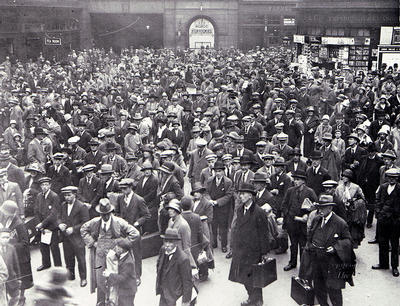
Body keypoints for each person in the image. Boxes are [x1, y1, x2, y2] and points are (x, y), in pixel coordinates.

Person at [80, 198, 140, 304]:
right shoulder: (95, 222)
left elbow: (135, 233)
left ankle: (115, 302)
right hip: (100, 255)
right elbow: (83, 229)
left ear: (111, 212)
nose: (106, 217)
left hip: (114, 257)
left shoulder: (119, 222)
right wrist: (92, 242)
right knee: (100, 280)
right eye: (103, 214)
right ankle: (101, 302)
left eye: (108, 214)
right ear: (100, 214)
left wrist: (121, 243)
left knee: (114, 278)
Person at [307, 194, 354, 306]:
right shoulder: (317, 219)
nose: (320, 210)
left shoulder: (340, 223)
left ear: (330, 208)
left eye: (323, 207)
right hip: (317, 260)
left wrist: (335, 248)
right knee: (318, 288)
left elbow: (349, 242)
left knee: (334, 291)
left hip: (331, 264)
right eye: (319, 207)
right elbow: (310, 236)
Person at [228, 182, 270, 306]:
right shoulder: (240, 209)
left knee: (255, 276)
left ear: (251, 196)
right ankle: (252, 297)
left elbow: (264, 233)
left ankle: (257, 300)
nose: (240, 196)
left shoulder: (259, 212)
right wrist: (234, 246)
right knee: (244, 277)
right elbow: (237, 229)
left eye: (243, 193)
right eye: (240, 193)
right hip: (241, 250)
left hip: (254, 251)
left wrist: (264, 252)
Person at [282, 170, 318, 271]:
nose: (295, 182)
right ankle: (292, 263)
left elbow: (316, 207)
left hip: (303, 224)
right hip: (292, 223)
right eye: (294, 179)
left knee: (303, 245)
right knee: (293, 244)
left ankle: (304, 265)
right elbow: (284, 205)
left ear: (303, 181)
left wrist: (308, 215)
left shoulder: (310, 192)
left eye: (297, 180)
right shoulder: (290, 191)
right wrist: (288, 215)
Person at [115, 178, 151, 280]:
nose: (123, 191)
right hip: (122, 232)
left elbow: (147, 215)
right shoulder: (120, 198)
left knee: (136, 254)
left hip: (134, 232)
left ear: (131, 188)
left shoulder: (139, 200)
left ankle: (137, 276)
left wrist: (137, 223)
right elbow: (117, 212)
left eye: (125, 188)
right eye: (121, 189)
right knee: (123, 253)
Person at [0, 200, 33, 305]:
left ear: (11, 213)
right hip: (12, 255)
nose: (3, 214)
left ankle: (22, 297)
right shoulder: (7, 219)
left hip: (21, 257)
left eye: (5, 212)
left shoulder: (19, 224)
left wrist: (10, 245)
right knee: (13, 277)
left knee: (22, 278)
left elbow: (25, 243)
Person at [57, 186, 89, 287]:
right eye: (65, 195)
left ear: (74, 195)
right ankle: (71, 275)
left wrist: (74, 229)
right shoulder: (63, 205)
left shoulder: (81, 206)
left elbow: (86, 223)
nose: (67, 198)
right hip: (66, 238)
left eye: (69, 195)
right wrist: (60, 224)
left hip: (77, 238)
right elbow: (59, 217)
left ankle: (83, 278)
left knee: (81, 259)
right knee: (68, 257)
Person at [372, 168, 400, 277]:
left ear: (397, 178)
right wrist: (378, 213)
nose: (392, 180)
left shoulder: (399, 188)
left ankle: (394, 266)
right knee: (382, 242)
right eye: (390, 177)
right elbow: (377, 200)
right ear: (387, 178)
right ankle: (383, 263)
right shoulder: (383, 187)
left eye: (394, 177)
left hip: (395, 221)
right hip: (383, 220)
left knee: (394, 244)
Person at [156, 228, 193, 306]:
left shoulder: (183, 259)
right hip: (163, 293)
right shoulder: (163, 250)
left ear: (176, 243)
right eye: (166, 241)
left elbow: (187, 281)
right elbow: (159, 265)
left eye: (170, 242)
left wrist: (186, 301)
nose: (167, 244)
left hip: (175, 296)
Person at [205, 160, 234, 253]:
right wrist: (209, 200)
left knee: (223, 227)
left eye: (220, 171)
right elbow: (206, 192)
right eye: (216, 171)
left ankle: (224, 245)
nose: (218, 173)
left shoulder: (228, 182)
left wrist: (217, 202)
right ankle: (214, 242)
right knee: (213, 225)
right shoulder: (210, 180)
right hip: (212, 207)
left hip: (223, 208)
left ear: (223, 171)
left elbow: (229, 195)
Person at [34, 176, 62, 271]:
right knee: (43, 246)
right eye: (42, 185)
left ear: (50, 185)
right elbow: (36, 211)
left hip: (52, 226)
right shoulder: (39, 196)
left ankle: (58, 267)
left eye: (46, 184)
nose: (44, 187)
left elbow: (53, 214)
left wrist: (42, 224)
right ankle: (46, 264)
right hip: (42, 227)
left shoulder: (54, 196)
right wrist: (40, 225)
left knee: (54, 248)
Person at [103, 239, 138, 306]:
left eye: (117, 247)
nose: (115, 248)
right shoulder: (123, 256)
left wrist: (109, 275)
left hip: (127, 291)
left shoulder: (128, 262)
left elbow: (122, 278)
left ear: (122, 249)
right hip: (125, 290)